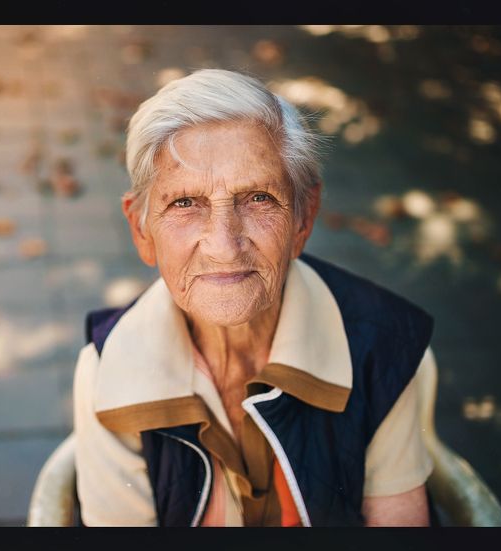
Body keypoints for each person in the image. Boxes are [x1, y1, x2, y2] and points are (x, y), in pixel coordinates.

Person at [72, 69, 437, 527]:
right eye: (185, 203)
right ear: (142, 230)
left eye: (258, 198)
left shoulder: (382, 347)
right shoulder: (109, 369)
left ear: (303, 218)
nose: (224, 246)